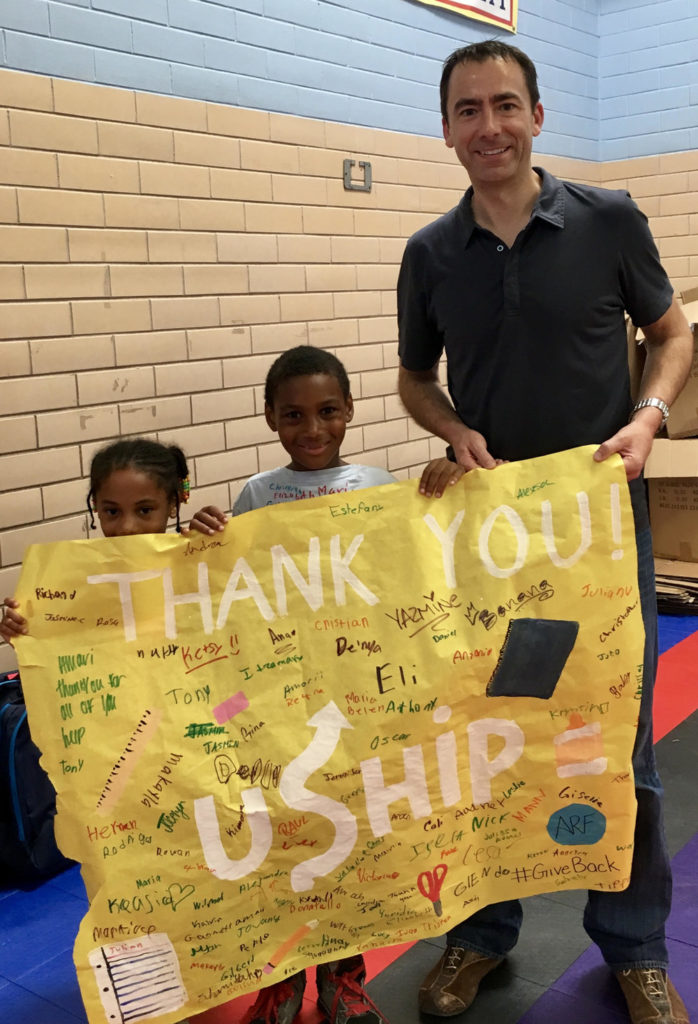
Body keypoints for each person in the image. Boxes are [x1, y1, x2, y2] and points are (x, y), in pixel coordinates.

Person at [397, 39, 693, 1024]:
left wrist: (647, 417)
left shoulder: (606, 220)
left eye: (504, 105)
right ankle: (477, 937)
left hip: (600, 533)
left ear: (536, 114)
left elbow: (672, 333)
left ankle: (634, 950)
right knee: (488, 741)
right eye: (466, 110)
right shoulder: (430, 253)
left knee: (617, 749)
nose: (487, 126)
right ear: (445, 127)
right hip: (486, 549)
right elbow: (412, 376)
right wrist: (450, 426)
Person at [189, 344, 395, 1024]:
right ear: (270, 418)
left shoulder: (377, 483)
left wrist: (444, 486)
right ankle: (281, 979)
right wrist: (202, 536)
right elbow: (226, 587)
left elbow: (410, 568)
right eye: (294, 415)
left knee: (348, 841)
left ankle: (343, 979)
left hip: (356, 694)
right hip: (281, 701)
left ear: (350, 411)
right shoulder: (257, 493)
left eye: (327, 411)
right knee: (284, 841)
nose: (313, 429)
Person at [1, 437, 190, 642]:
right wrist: (26, 634)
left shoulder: (194, 566)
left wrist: (217, 542)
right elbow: (61, 654)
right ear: (96, 507)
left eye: (144, 510)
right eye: (112, 511)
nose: (127, 527)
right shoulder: (74, 584)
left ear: (173, 504)